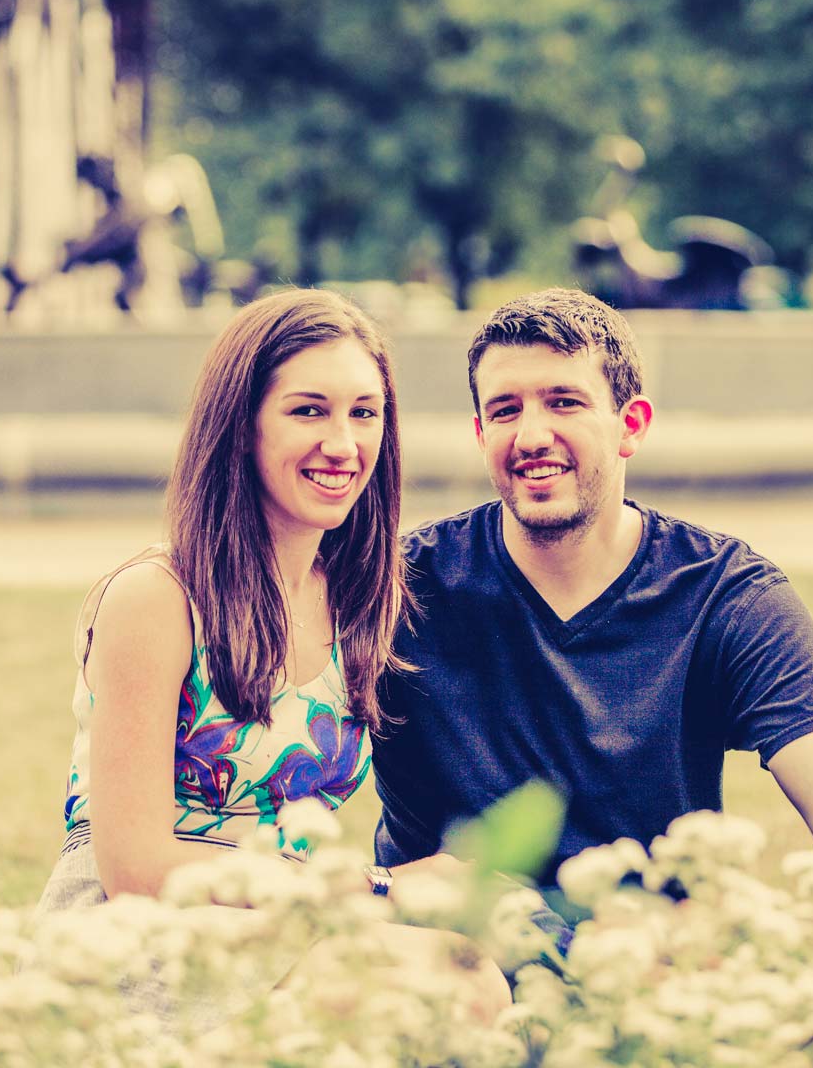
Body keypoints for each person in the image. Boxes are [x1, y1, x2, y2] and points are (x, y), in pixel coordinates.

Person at [373, 287, 813, 934]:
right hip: (469, 956)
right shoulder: (398, 587)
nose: (532, 435)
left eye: (565, 402)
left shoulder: (724, 593)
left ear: (632, 424)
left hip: (665, 957)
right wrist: (384, 887)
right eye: (505, 411)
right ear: (482, 434)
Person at [36, 287, 508, 1021]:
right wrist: (373, 887)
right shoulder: (156, 599)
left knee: (483, 968)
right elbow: (134, 867)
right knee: (458, 983)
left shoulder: (360, 606)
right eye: (308, 410)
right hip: (138, 940)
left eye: (364, 412)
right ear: (241, 426)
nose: (343, 445)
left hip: (280, 925)